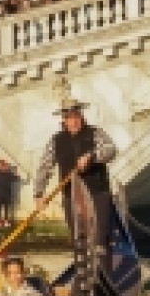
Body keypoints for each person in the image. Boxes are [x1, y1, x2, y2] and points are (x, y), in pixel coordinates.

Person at [34, 99, 117, 253]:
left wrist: (91, 156)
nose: (73, 121)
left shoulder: (95, 133)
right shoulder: (56, 141)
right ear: (64, 120)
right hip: (70, 194)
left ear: (81, 116)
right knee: (78, 241)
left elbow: (111, 150)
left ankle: (102, 254)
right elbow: (44, 167)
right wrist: (39, 194)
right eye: (69, 118)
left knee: (100, 241)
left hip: (97, 191)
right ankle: (82, 264)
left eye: (76, 117)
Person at [0, 159, 21, 226]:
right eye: (2, 166)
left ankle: (6, 221)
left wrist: (16, 173)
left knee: (6, 209)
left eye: (4, 166)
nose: (3, 168)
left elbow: (16, 178)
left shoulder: (9, 174)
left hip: (7, 195)